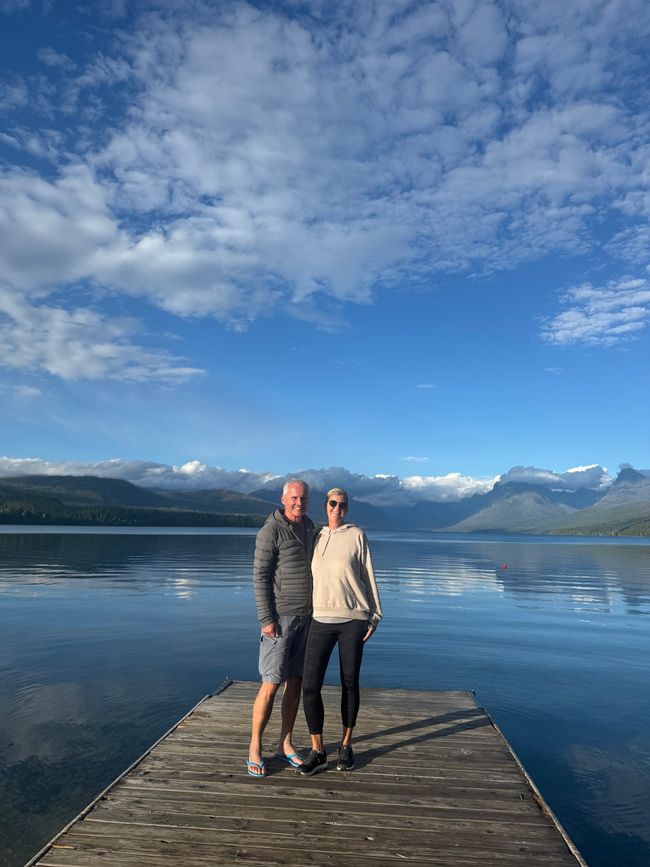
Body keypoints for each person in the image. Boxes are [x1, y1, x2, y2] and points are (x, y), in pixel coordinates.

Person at [299, 487, 382, 775]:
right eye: (333, 503)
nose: (338, 508)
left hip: (353, 620)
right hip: (319, 618)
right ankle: (318, 749)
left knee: (349, 683)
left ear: (347, 508)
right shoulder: (316, 536)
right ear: (325, 506)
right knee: (310, 686)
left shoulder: (357, 535)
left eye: (343, 505)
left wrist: (375, 615)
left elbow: (369, 575)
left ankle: (346, 745)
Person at [247, 479, 318, 778]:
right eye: (294, 498)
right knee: (271, 683)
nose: (298, 503)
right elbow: (260, 576)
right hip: (280, 619)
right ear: (283, 498)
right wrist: (267, 619)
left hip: (308, 618)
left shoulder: (310, 528)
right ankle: (254, 747)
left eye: (303, 498)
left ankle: (285, 744)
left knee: (297, 682)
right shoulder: (271, 530)